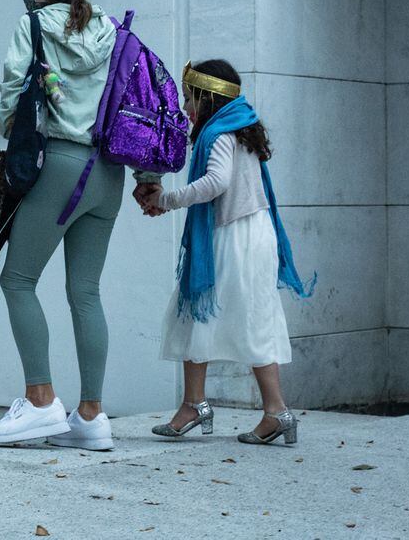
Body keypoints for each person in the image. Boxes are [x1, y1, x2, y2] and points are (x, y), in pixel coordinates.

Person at [0, 0, 151, 451]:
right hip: (109, 174)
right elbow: (135, 104)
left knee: (17, 280)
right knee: (86, 292)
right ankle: (92, 417)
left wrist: (5, 126)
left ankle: (39, 401)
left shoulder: (33, 27)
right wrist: (148, 177)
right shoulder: (117, 35)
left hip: (59, 164)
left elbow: (11, 100)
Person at [135, 60, 314, 445]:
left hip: (235, 237)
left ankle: (239, 408)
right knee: (235, 319)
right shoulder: (240, 126)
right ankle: (235, 408)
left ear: (207, 98)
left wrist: (165, 200)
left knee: (207, 313)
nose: (185, 107)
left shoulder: (218, 134)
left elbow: (216, 182)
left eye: (188, 98)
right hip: (252, 233)